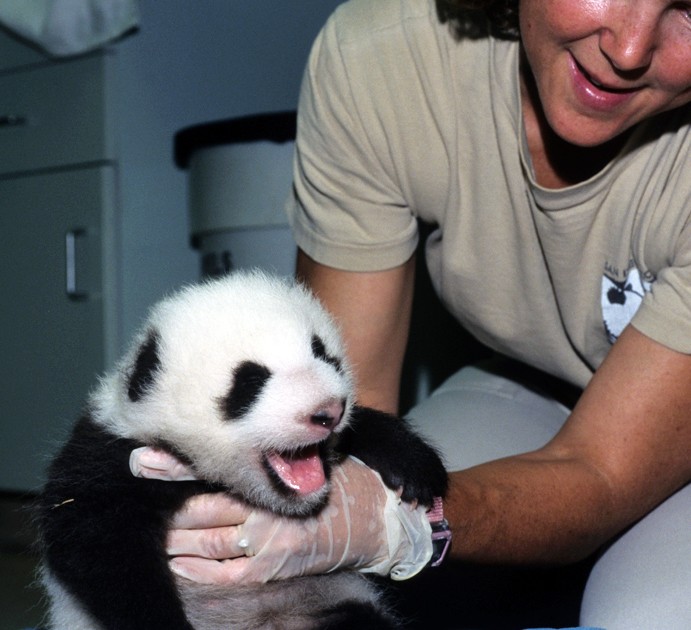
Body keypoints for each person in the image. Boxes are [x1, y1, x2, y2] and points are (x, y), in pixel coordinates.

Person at [131, 1, 691, 627]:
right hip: (530, 383)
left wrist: (398, 525)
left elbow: (599, 473)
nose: (631, 48)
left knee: (645, 619)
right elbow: (349, 404)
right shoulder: (385, 58)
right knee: (377, 596)